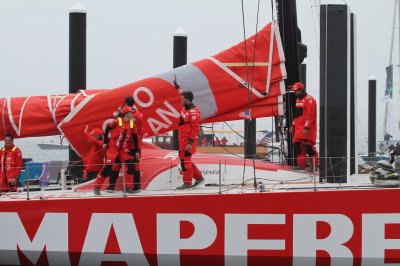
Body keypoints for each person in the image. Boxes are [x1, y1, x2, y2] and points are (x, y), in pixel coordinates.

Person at [93, 107, 140, 195]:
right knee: (107, 169)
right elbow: (107, 129)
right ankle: (97, 186)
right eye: (131, 112)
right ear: (126, 114)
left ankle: (127, 187)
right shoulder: (117, 121)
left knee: (131, 166)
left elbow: (135, 138)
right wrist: (105, 142)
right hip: (112, 148)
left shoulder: (132, 124)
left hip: (123, 149)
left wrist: (137, 151)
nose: (133, 114)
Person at [107, 97, 143, 193]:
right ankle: (135, 187)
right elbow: (139, 133)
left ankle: (111, 187)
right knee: (134, 166)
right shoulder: (138, 115)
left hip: (123, 146)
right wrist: (137, 149)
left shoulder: (121, 117)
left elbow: (111, 127)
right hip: (133, 145)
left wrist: (106, 142)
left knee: (116, 165)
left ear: (125, 103)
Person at [173, 79, 204, 189]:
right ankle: (199, 178)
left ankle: (187, 183)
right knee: (183, 159)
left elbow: (196, 128)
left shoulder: (193, 112)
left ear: (188, 100)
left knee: (185, 161)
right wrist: (176, 85)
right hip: (182, 140)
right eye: (181, 99)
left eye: (182, 99)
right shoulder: (185, 106)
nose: (181, 100)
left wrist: (190, 143)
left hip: (188, 141)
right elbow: (181, 93)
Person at [289, 82, 319, 171]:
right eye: (294, 90)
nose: (294, 92)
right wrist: (293, 125)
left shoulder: (310, 100)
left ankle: (314, 166)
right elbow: (297, 116)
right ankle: (301, 165)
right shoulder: (298, 100)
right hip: (298, 128)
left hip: (307, 129)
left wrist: (306, 127)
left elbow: (311, 115)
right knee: (297, 146)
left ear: (301, 90)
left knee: (308, 147)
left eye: (296, 90)